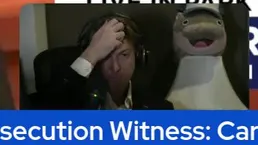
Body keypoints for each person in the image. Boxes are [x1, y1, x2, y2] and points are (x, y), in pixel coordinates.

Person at [43, 15, 173, 110]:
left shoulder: (160, 109)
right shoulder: (73, 103)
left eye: (124, 55)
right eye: (105, 56)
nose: (115, 67)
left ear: (139, 57)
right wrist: (92, 52)